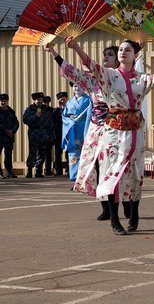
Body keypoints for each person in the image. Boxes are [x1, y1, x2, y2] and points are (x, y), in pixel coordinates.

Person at [63, 37, 154, 235]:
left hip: (135, 132)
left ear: (135, 55)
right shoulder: (109, 75)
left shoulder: (142, 78)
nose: (122, 52)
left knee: (136, 174)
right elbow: (91, 65)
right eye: (120, 49)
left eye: (127, 50)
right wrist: (76, 46)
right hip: (113, 132)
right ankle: (114, 219)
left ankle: (134, 213)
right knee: (111, 174)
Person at [46, 44, 120, 221]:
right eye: (105, 54)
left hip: (116, 129)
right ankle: (106, 207)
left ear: (118, 61)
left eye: (111, 54)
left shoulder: (122, 79)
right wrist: (54, 52)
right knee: (95, 168)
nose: (106, 56)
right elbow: (72, 71)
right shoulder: (92, 81)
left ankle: (125, 204)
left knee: (114, 169)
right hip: (96, 129)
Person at [62, 83, 92, 181]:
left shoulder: (89, 100)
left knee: (85, 153)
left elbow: (91, 115)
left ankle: (84, 178)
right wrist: (70, 122)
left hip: (83, 127)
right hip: (72, 129)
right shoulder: (70, 102)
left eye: (79, 86)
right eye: (75, 86)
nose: (77, 88)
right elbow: (64, 116)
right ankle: (74, 177)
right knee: (73, 153)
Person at [22, 92, 55, 178]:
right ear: (34, 100)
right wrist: (35, 116)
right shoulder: (30, 109)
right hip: (34, 133)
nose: (40, 101)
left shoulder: (46, 109)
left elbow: (51, 123)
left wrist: (51, 135)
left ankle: (38, 171)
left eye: (41, 99)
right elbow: (25, 120)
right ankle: (29, 171)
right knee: (32, 152)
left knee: (42, 153)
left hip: (44, 134)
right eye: (38, 100)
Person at [0, 93, 19, 178]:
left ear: (7, 101)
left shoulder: (11, 111)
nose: (3, 102)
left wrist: (13, 130)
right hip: (0, 136)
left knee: (8, 155)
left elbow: (16, 122)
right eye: (1, 101)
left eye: (4, 101)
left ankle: (9, 172)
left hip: (9, 137)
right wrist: (5, 130)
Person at [53, 91, 68, 176]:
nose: (62, 101)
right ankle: (58, 170)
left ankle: (69, 169)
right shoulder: (56, 110)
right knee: (58, 153)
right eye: (61, 99)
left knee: (68, 152)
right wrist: (60, 107)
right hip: (58, 133)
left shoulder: (70, 108)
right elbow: (53, 119)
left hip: (67, 133)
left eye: (64, 99)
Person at [42, 95, 55, 176]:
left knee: (48, 154)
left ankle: (48, 169)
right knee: (41, 153)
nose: (46, 104)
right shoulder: (39, 109)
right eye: (45, 102)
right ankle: (39, 170)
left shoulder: (52, 110)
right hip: (41, 134)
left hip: (49, 134)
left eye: (47, 102)